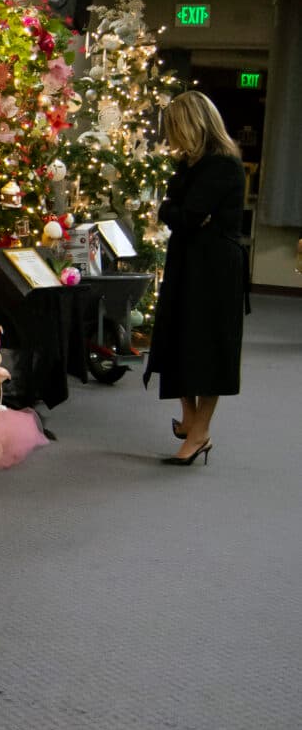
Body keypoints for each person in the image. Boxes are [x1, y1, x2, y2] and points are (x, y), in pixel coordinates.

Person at [144, 91, 248, 465]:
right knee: (177, 339)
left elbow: (185, 215)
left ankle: (200, 432)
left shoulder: (222, 165)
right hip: (188, 261)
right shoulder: (190, 165)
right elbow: (179, 212)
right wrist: (175, 210)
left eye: (175, 128)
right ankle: (190, 419)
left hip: (215, 269)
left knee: (209, 348)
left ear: (192, 126)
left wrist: (175, 211)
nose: (172, 137)